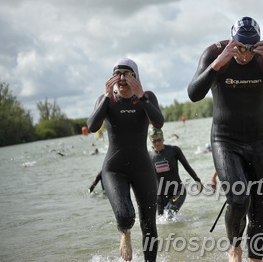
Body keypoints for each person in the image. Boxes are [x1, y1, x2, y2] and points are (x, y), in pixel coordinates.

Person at [187, 17, 263, 262]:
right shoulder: (214, 53)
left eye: (250, 48)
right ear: (232, 41)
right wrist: (217, 65)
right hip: (225, 140)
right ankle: (235, 247)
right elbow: (194, 94)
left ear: (258, 43)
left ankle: (255, 259)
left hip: (258, 140)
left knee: (259, 206)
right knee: (239, 199)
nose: (244, 55)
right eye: (240, 47)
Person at [87, 58, 164, 262]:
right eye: (117, 74)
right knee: (125, 216)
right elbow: (92, 127)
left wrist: (141, 96)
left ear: (136, 77)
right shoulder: (107, 100)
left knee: (149, 224)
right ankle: (125, 234)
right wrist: (105, 96)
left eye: (127, 74)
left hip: (142, 168)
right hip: (114, 170)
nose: (121, 78)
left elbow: (158, 122)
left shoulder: (146, 97)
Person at [148, 127, 203, 217]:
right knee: (162, 221)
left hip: (177, 191)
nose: (157, 143)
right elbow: (145, 177)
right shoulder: (149, 156)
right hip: (160, 195)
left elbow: (187, 166)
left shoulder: (173, 150)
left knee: (169, 215)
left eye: (159, 140)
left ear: (163, 138)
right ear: (151, 141)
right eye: (154, 141)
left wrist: (197, 180)